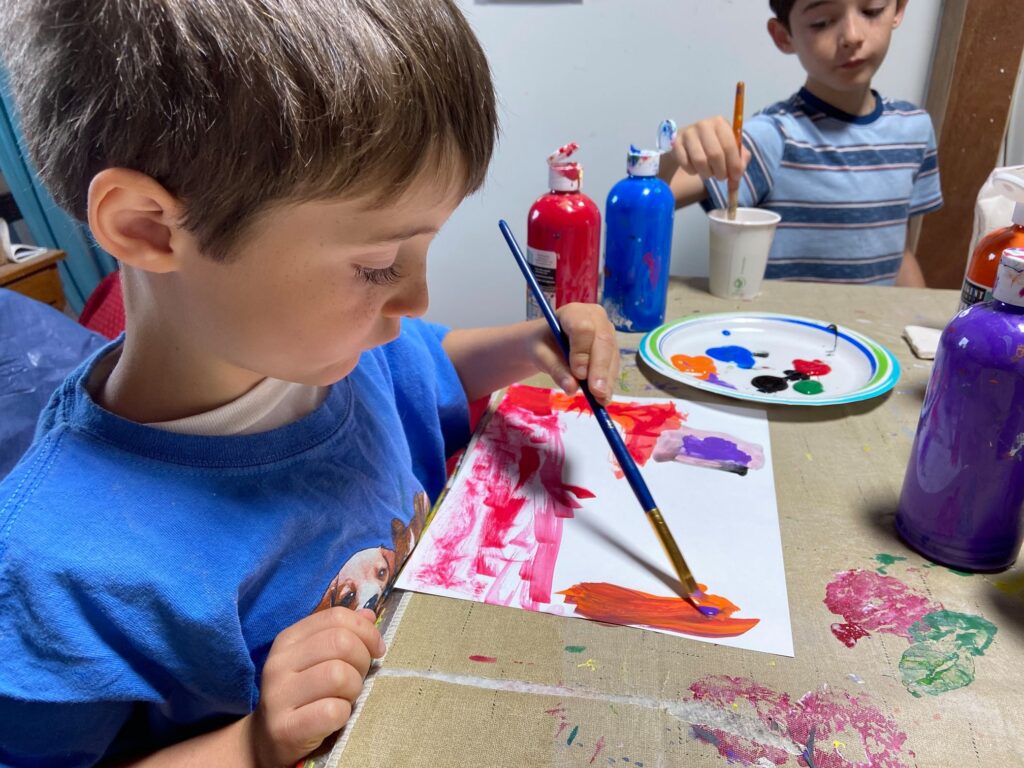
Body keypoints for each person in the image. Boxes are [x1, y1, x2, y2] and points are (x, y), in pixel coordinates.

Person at [0, 1, 619, 765]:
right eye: (375, 266)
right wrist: (251, 744)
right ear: (150, 229)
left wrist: (533, 344)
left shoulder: (339, 352)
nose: (415, 299)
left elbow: (436, 362)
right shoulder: (57, 570)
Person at [660, 0, 943, 286]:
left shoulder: (914, 128)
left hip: (870, 329)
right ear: (784, 36)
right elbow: (646, 198)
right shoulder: (773, 135)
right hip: (788, 328)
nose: (853, 36)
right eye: (821, 23)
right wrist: (676, 153)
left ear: (898, 9)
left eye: (871, 11)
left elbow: (902, 254)